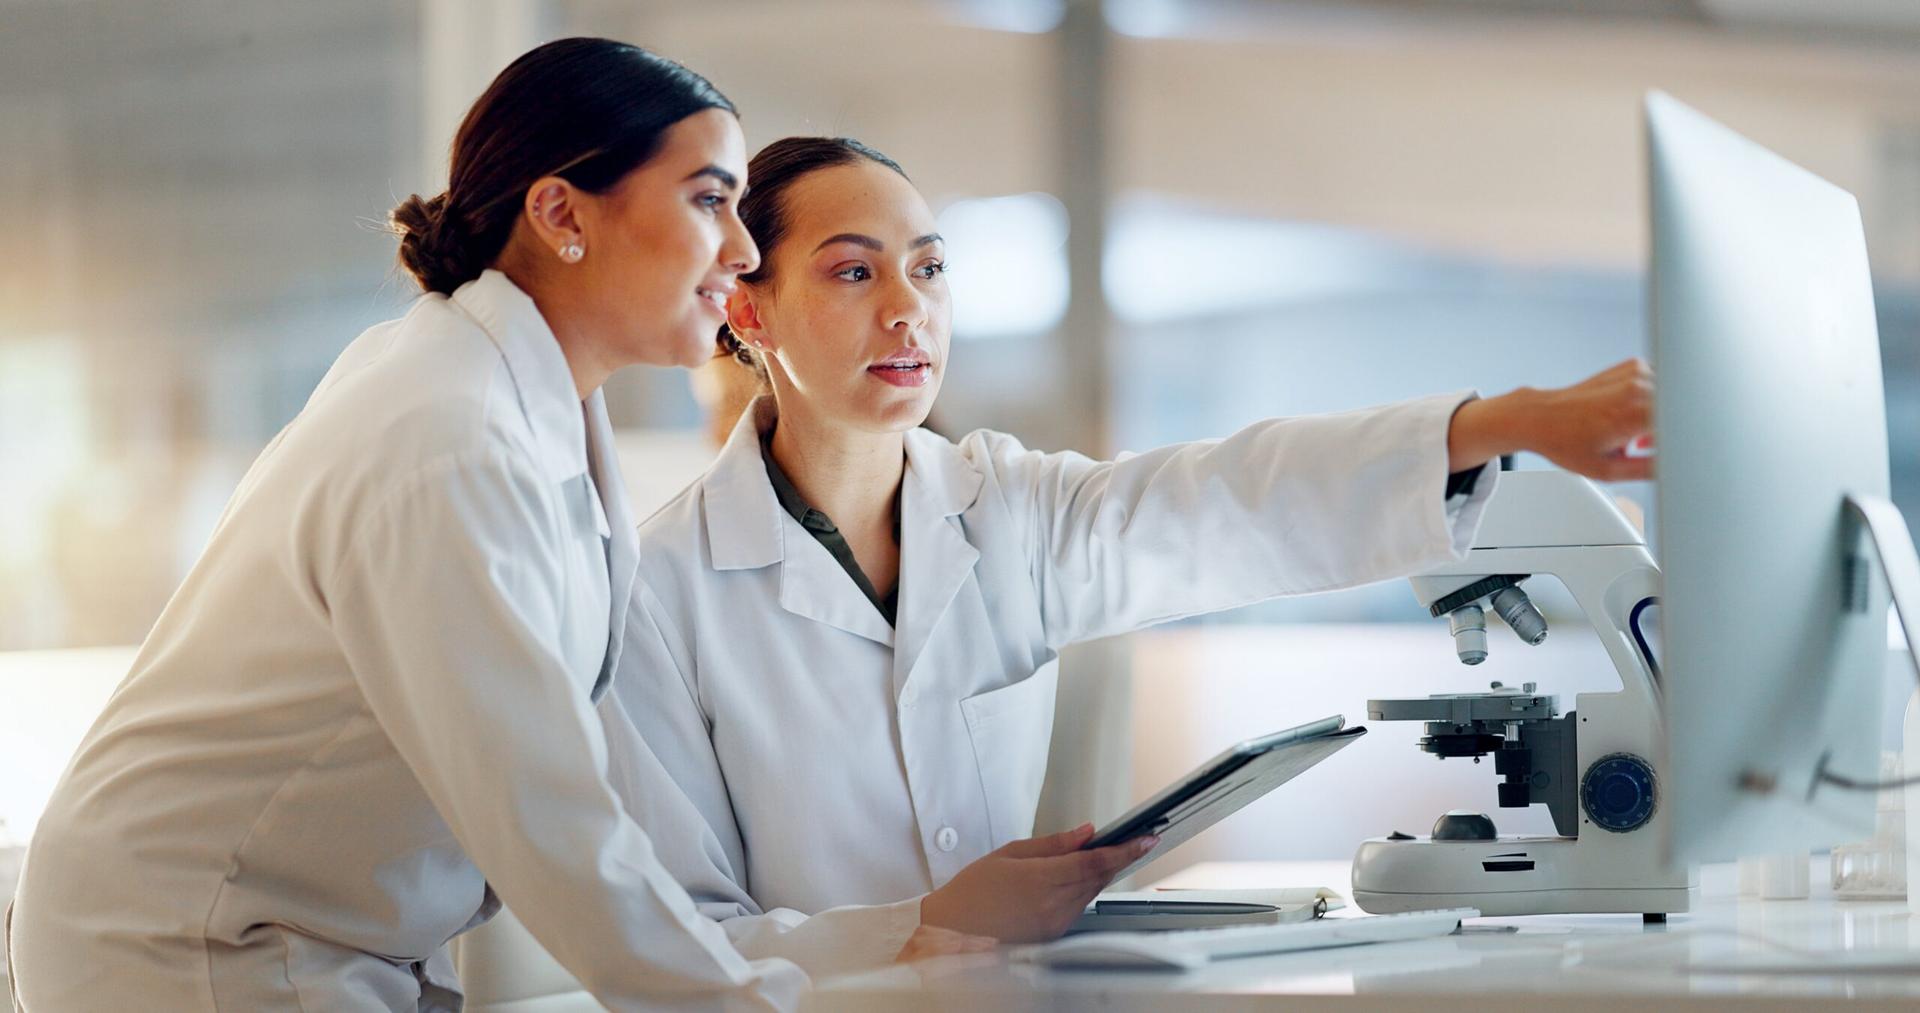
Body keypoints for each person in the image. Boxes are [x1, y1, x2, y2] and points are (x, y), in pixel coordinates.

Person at [600, 135, 1656, 972]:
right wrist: (920, 924)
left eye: (928, 268)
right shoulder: (658, 591)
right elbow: (674, 944)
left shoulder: (1008, 506)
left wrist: (1501, 422)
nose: (907, 307)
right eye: (851, 270)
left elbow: (1232, 498)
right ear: (747, 307)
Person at [9, 38, 826, 1011]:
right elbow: (546, 816)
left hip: (313, 932)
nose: (742, 247)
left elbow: (577, 778)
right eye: (708, 198)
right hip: (195, 942)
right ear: (561, 211)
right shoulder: (449, 435)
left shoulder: (528, 402)